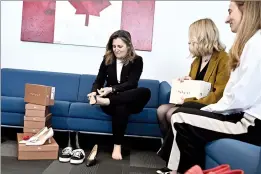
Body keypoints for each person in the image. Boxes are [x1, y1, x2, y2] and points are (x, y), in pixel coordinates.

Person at [162, 1, 261, 174]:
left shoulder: (254, 45)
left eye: (230, 11)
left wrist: (208, 109)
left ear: (246, 9)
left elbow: (236, 98)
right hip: (239, 114)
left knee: (180, 117)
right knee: (180, 113)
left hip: (249, 123)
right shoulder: (250, 43)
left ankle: (174, 170)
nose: (226, 18)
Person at [156, 18, 230, 173]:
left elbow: (218, 95)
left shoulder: (223, 59)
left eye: (191, 40)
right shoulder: (197, 60)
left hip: (209, 105)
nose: (189, 43)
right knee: (161, 110)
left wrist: (187, 100)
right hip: (192, 102)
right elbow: (196, 85)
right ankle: (171, 153)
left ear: (202, 37)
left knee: (171, 113)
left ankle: (176, 161)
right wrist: (187, 81)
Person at [87, 30, 151, 161]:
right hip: (114, 104)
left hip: (127, 100)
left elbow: (132, 84)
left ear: (128, 46)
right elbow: (99, 80)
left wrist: (111, 89)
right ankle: (117, 147)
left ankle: (107, 101)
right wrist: (94, 92)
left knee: (145, 91)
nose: (116, 49)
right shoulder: (107, 59)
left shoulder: (137, 60)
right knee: (121, 107)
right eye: (114, 46)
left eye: (120, 46)